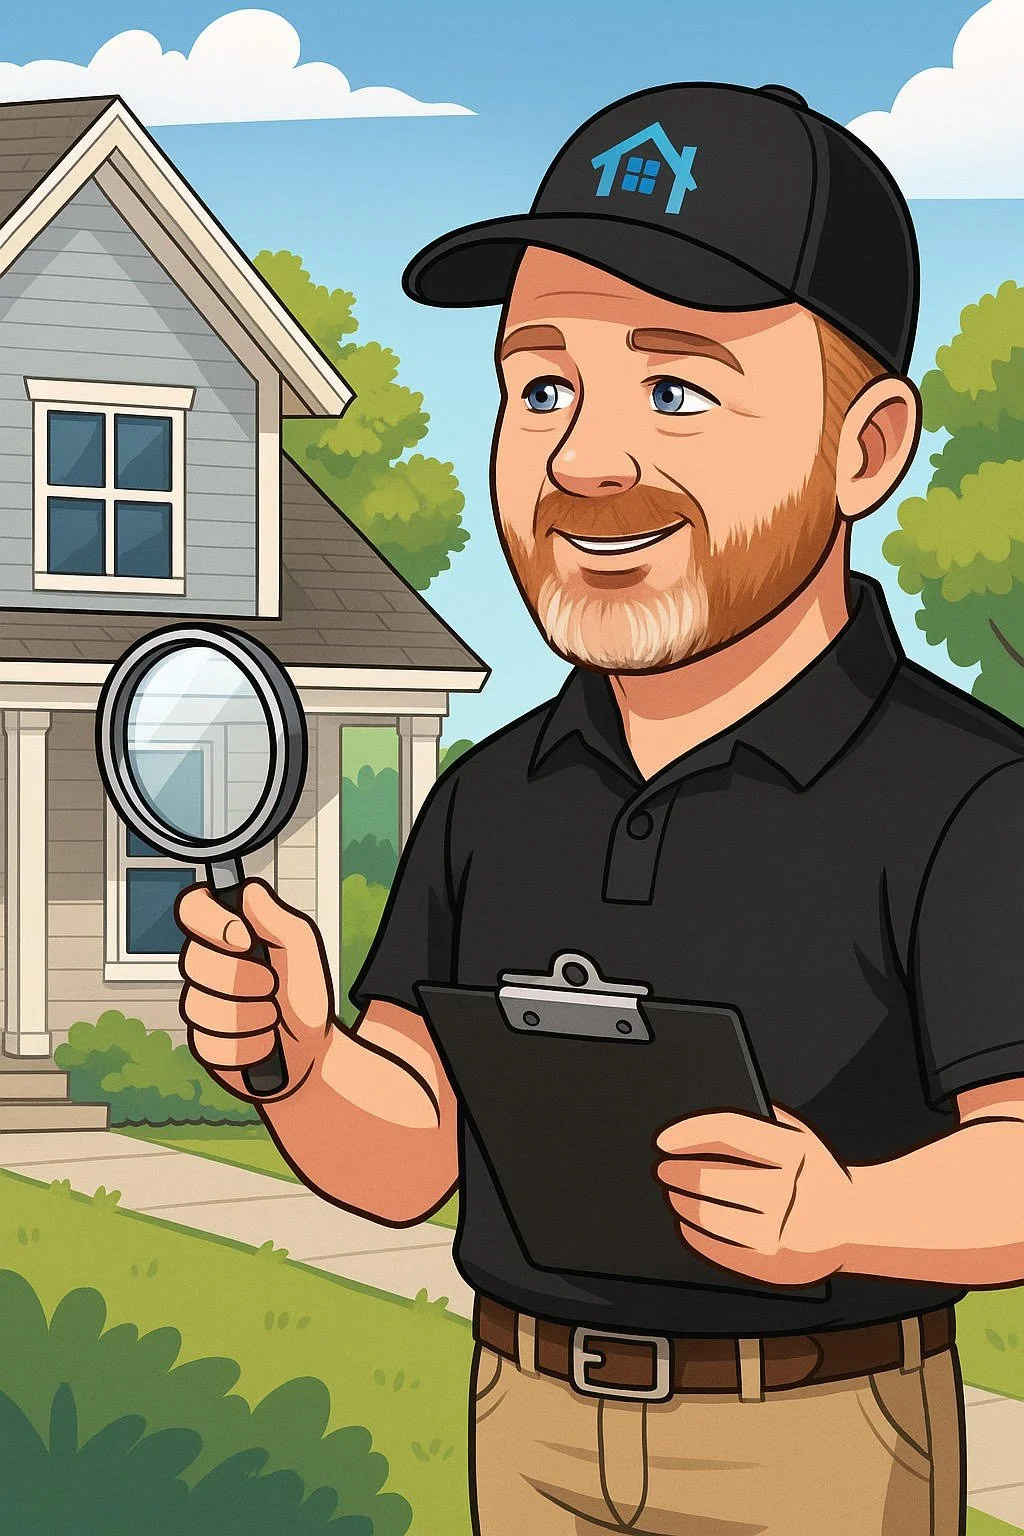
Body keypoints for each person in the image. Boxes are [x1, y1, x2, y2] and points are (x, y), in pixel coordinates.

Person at [175, 82, 1024, 1535]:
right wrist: (300, 1061)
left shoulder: (966, 798)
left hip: (817, 1436)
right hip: (527, 1425)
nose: (582, 463)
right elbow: (415, 1152)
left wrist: (842, 1218)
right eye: (542, 387)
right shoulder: (489, 798)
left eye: (677, 390)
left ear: (866, 448)